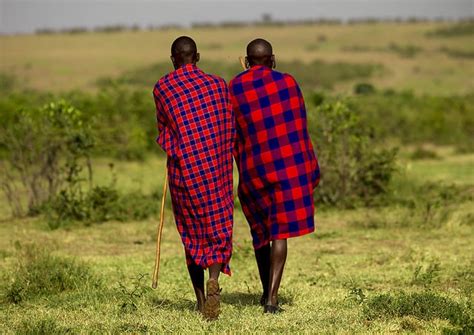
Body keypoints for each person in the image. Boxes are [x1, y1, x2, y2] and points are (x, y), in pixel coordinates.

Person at [229, 38, 320, 313]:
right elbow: (298, 127)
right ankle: (271, 299)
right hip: (286, 168)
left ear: (246, 61)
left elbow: (233, 132)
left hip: (254, 170)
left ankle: (264, 291)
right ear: (272, 59)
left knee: (260, 231)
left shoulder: (234, 86)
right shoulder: (289, 83)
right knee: (279, 232)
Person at [153, 36, 234, 320]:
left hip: (184, 171)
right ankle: (215, 279)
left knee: (191, 232)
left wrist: (177, 148)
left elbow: (165, 132)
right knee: (218, 224)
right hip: (216, 169)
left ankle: (201, 301)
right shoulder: (218, 85)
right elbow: (228, 128)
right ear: (196, 56)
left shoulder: (163, 87)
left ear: (173, 59)